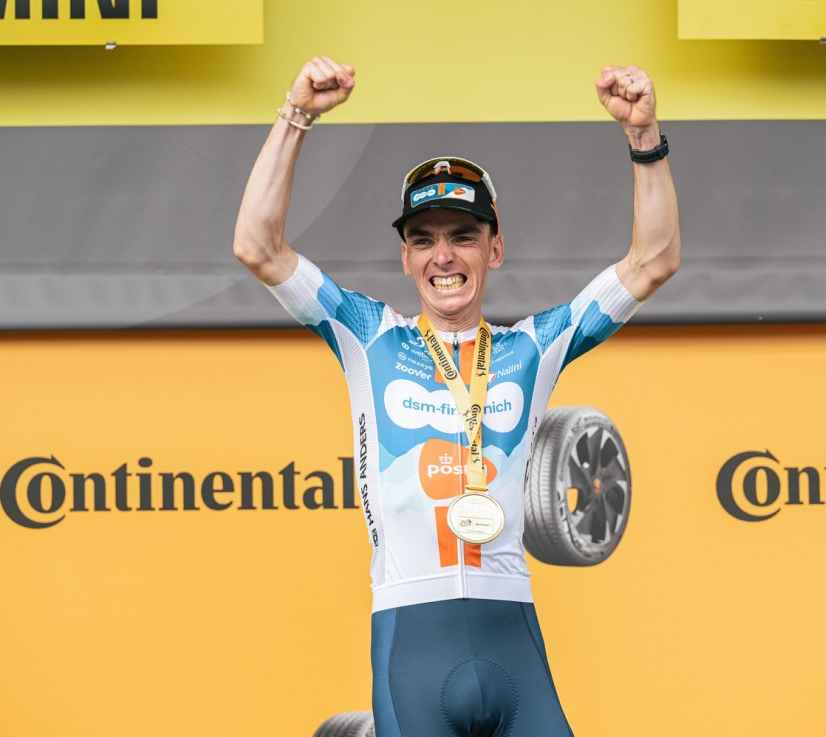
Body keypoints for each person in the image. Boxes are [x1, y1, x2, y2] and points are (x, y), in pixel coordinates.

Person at [234, 56, 680, 737]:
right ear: (406, 258)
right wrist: (296, 116)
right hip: (412, 647)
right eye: (424, 240)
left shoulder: (533, 348)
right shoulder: (366, 335)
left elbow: (654, 261)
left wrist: (643, 137)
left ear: (494, 249)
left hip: (513, 645)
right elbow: (257, 246)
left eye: (463, 236)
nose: (443, 256)